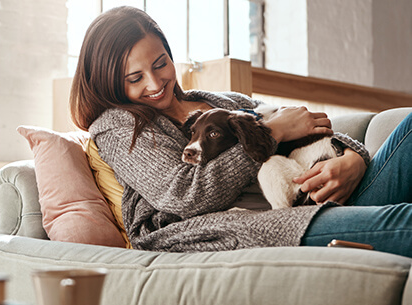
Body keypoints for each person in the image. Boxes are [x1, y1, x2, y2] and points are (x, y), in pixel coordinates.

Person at [69, 6, 412, 257]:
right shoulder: (118, 125)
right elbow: (182, 195)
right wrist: (271, 133)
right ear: (110, 81)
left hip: (326, 193)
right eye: (135, 78)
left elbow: (308, 126)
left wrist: (354, 159)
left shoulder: (223, 101)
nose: (155, 83)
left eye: (161, 63)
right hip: (262, 223)